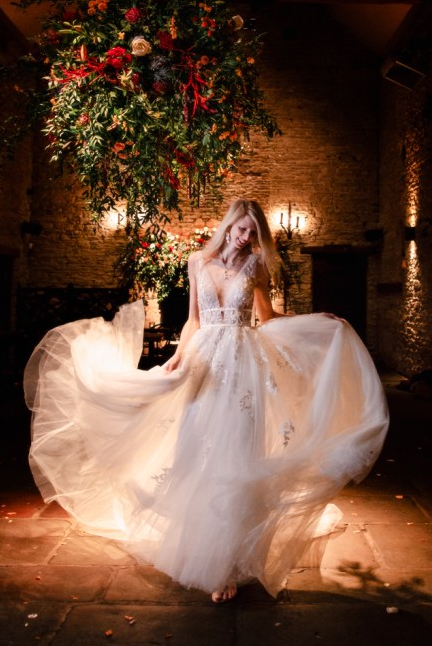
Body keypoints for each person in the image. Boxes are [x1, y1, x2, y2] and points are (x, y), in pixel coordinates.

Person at [25, 198, 389, 603]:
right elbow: (195, 319)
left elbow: (266, 319)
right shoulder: (198, 261)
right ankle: (200, 543)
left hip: (243, 367)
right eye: (241, 228)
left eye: (253, 232)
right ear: (229, 225)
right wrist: (179, 356)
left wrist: (318, 320)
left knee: (235, 455)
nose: (246, 237)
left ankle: (228, 564)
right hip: (204, 364)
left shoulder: (256, 267)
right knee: (195, 448)